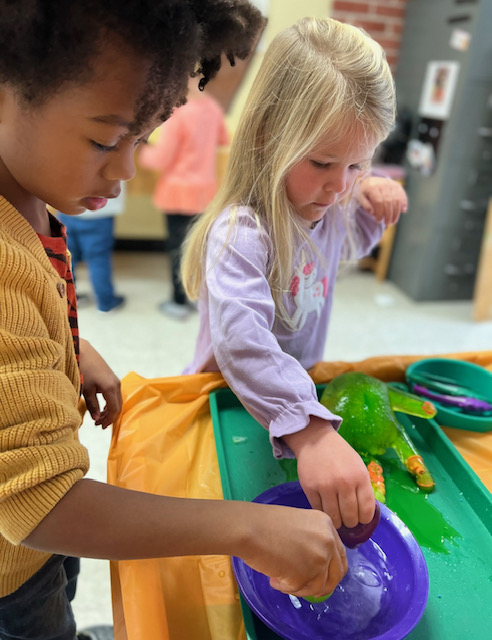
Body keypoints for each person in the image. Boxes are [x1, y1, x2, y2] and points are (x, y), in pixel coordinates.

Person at [0, 3, 348, 639]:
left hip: (39, 553)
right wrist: (244, 527)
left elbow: (26, 318)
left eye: (144, 138)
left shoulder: (30, 203)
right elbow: (36, 503)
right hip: (9, 568)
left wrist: (76, 352)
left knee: (57, 591)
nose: (128, 168)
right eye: (106, 140)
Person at [182, 17, 408, 532]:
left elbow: (349, 243)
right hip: (232, 402)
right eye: (324, 162)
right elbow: (243, 343)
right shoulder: (242, 232)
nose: (338, 187)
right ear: (267, 137)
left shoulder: (324, 210)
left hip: (298, 397)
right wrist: (309, 432)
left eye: (357, 166)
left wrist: (373, 208)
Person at [139, 78, 229, 319]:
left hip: (178, 194)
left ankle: (178, 301)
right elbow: (223, 139)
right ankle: (195, 298)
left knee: (177, 250)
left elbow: (161, 159)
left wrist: (140, 151)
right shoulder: (212, 108)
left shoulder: (179, 114)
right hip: (204, 193)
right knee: (198, 248)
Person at [58, 186, 126, 313]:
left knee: (68, 257)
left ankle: (68, 300)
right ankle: (106, 302)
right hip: (99, 214)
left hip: (68, 209)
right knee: (98, 259)